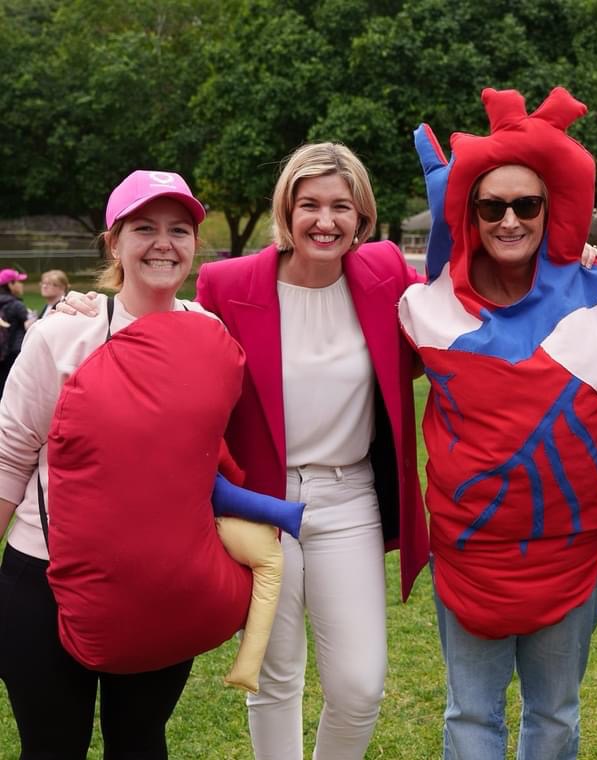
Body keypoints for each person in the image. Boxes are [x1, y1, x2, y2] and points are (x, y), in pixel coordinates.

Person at [399, 87, 597, 759]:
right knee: (470, 719)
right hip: (469, 553)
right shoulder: (426, 310)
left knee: (554, 718)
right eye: (491, 205)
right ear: (469, 212)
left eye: (526, 205)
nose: (509, 220)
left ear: (550, 209)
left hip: (573, 554)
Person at [195, 142, 429, 760]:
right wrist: (84, 308)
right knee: (276, 677)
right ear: (286, 211)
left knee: (359, 684)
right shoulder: (227, 284)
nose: (325, 221)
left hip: (349, 495)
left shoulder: (386, 276)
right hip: (262, 502)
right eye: (309, 205)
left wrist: (572, 262)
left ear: (362, 218)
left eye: (340, 207)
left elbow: (464, 297)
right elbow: (175, 348)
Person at [0, 170, 219, 758]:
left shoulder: (211, 334)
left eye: (179, 229)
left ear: (195, 244)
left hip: (159, 588)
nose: (163, 243)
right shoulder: (62, 333)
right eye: (143, 228)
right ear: (113, 242)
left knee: (141, 743)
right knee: (51, 747)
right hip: (46, 580)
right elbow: (10, 458)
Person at [0, 268, 30, 395]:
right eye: (18, 282)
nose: (21, 285)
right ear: (10, 284)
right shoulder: (17, 305)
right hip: (14, 353)